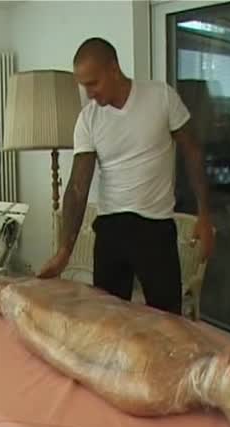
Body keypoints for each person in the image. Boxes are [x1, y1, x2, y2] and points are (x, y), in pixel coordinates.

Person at [38, 38, 215, 315]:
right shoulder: (88, 119)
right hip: (111, 228)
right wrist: (64, 251)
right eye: (84, 86)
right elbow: (77, 186)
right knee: (107, 318)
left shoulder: (161, 97)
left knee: (167, 319)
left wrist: (204, 214)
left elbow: (192, 152)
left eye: (93, 83)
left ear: (113, 68)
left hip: (155, 228)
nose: (89, 93)